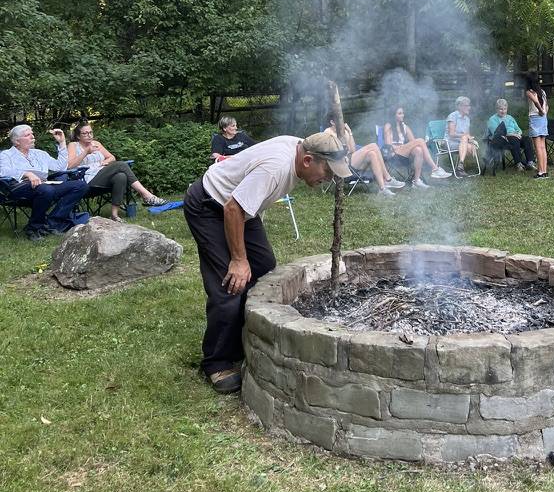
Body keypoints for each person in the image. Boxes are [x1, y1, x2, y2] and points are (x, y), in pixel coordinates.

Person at [183, 132, 351, 394]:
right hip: (210, 206)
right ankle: (216, 362)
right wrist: (238, 260)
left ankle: (240, 338)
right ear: (307, 160)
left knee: (263, 265)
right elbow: (232, 208)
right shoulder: (277, 169)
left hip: (240, 209)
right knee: (231, 284)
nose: (328, 178)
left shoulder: (300, 147)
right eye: (327, 171)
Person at [0, 124, 89, 240]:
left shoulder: (40, 154)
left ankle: (51, 223)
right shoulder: (6, 155)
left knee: (80, 185)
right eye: (28, 135)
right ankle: (34, 227)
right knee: (46, 190)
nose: (32, 137)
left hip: (44, 187)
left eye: (32, 134)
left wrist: (62, 143)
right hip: (17, 187)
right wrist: (27, 173)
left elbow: (61, 167)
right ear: (17, 141)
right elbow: (2, 171)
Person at [66, 121, 166, 221]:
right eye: (85, 133)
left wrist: (104, 162)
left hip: (102, 175)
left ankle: (114, 215)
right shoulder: (73, 145)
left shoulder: (96, 144)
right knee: (121, 165)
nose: (89, 135)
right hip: (86, 180)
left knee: (121, 176)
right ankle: (146, 195)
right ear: (78, 136)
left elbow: (112, 157)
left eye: (91, 132)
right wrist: (86, 151)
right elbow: (70, 166)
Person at [324, 116, 405, 197]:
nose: (342, 121)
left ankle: (382, 189)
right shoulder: (328, 133)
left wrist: (349, 132)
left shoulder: (343, 132)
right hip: (339, 164)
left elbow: (352, 150)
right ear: (332, 122)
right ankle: (387, 178)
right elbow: (329, 152)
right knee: (373, 145)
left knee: (372, 154)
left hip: (350, 162)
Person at [383, 107, 451, 188]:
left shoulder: (405, 127)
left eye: (403, 113)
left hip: (403, 154)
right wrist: (403, 146)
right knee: (420, 141)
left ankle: (416, 180)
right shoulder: (388, 125)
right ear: (394, 115)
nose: (402, 115)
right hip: (393, 154)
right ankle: (435, 169)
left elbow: (414, 142)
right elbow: (388, 145)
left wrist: (407, 146)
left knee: (418, 150)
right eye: (399, 113)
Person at [486, 98, 536, 171]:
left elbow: (518, 129)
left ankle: (530, 162)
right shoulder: (492, 119)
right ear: (496, 109)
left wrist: (518, 133)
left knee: (527, 139)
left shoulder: (510, 118)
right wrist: (513, 135)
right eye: (501, 109)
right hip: (501, 140)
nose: (503, 111)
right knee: (514, 139)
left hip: (515, 136)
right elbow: (497, 133)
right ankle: (518, 164)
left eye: (505, 109)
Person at [445, 96, 481, 177]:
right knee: (464, 138)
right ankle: (460, 166)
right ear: (459, 107)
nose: (469, 107)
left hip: (461, 143)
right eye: (466, 106)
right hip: (449, 142)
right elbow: (451, 134)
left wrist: (472, 141)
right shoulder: (452, 116)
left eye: (469, 105)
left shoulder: (467, 119)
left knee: (470, 146)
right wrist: (465, 136)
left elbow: (467, 134)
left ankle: (459, 168)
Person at [524, 73, 549, 179]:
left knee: (538, 147)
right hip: (543, 120)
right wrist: (544, 113)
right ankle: (544, 171)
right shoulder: (542, 92)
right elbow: (547, 106)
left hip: (535, 119)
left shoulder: (529, 92)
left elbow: (535, 102)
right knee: (543, 147)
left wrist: (540, 111)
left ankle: (540, 172)